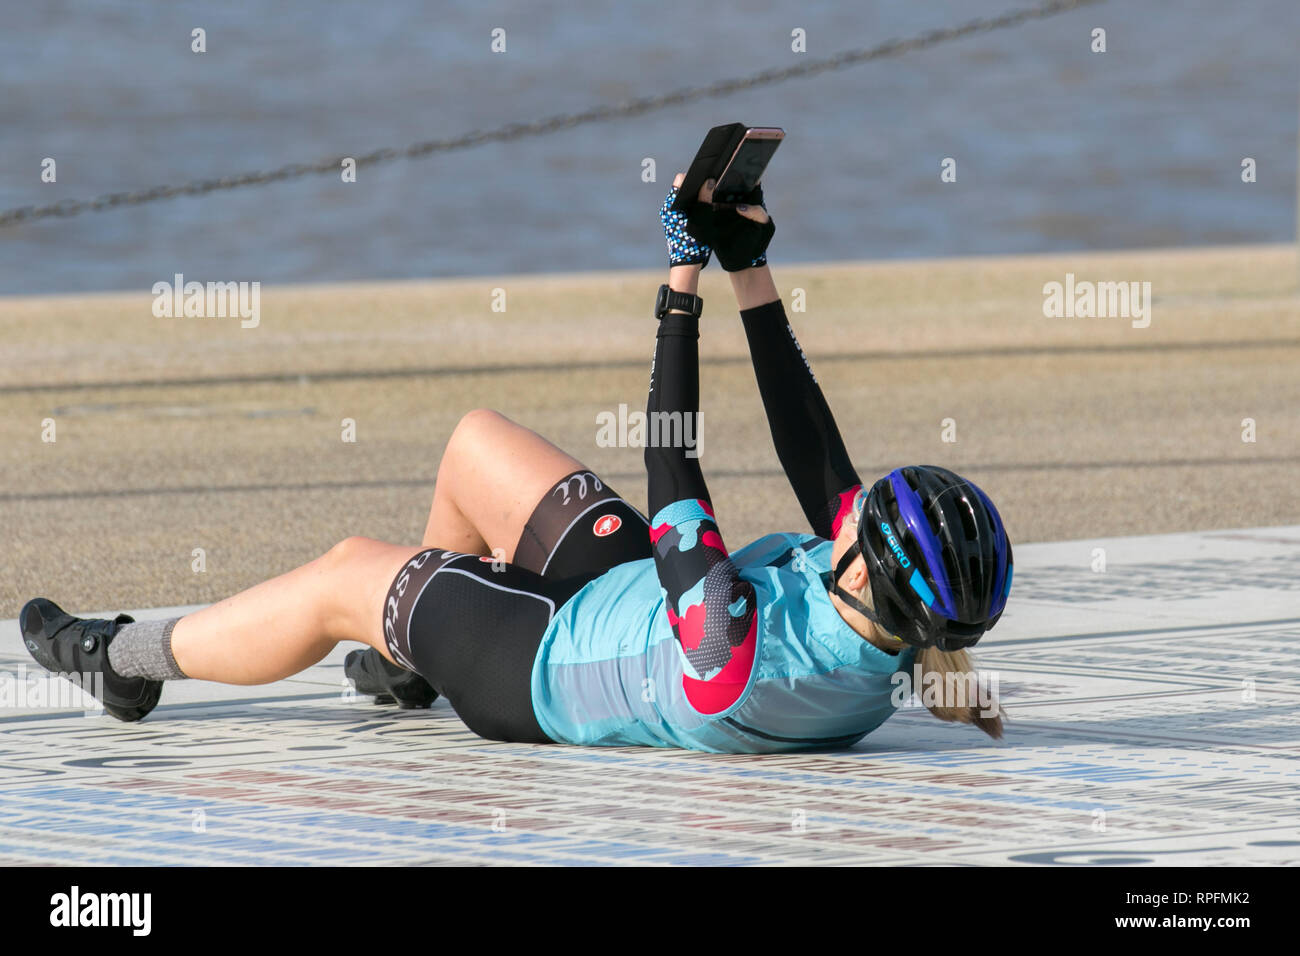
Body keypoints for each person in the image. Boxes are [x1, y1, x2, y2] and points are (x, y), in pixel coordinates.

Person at [17, 170, 1012, 753]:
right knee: (475, 441)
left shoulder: (735, 648)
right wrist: (747, 259)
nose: (851, 500)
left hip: (536, 666)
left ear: (859, 560)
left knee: (345, 571)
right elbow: (815, 456)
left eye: (863, 512)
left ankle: (121, 658)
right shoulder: (882, 623)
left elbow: (674, 458)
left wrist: (678, 274)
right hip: (632, 599)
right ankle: (411, 656)